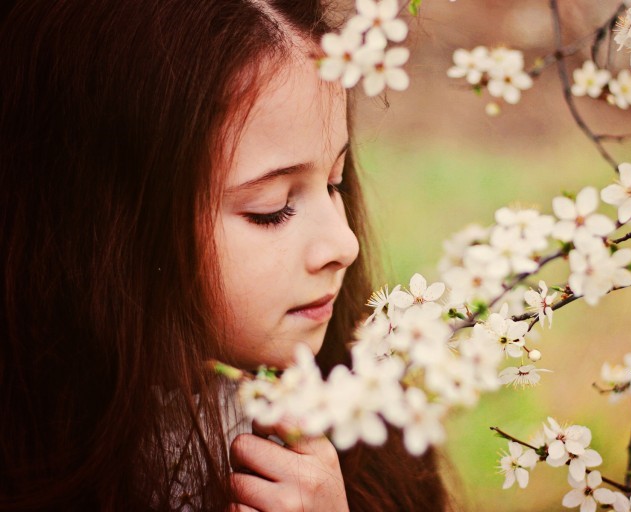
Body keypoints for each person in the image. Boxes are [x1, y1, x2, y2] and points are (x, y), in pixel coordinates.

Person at [0, 1, 448, 510]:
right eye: (272, 209)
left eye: (334, 183)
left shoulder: (364, 431)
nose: (344, 245)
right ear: (109, 227)